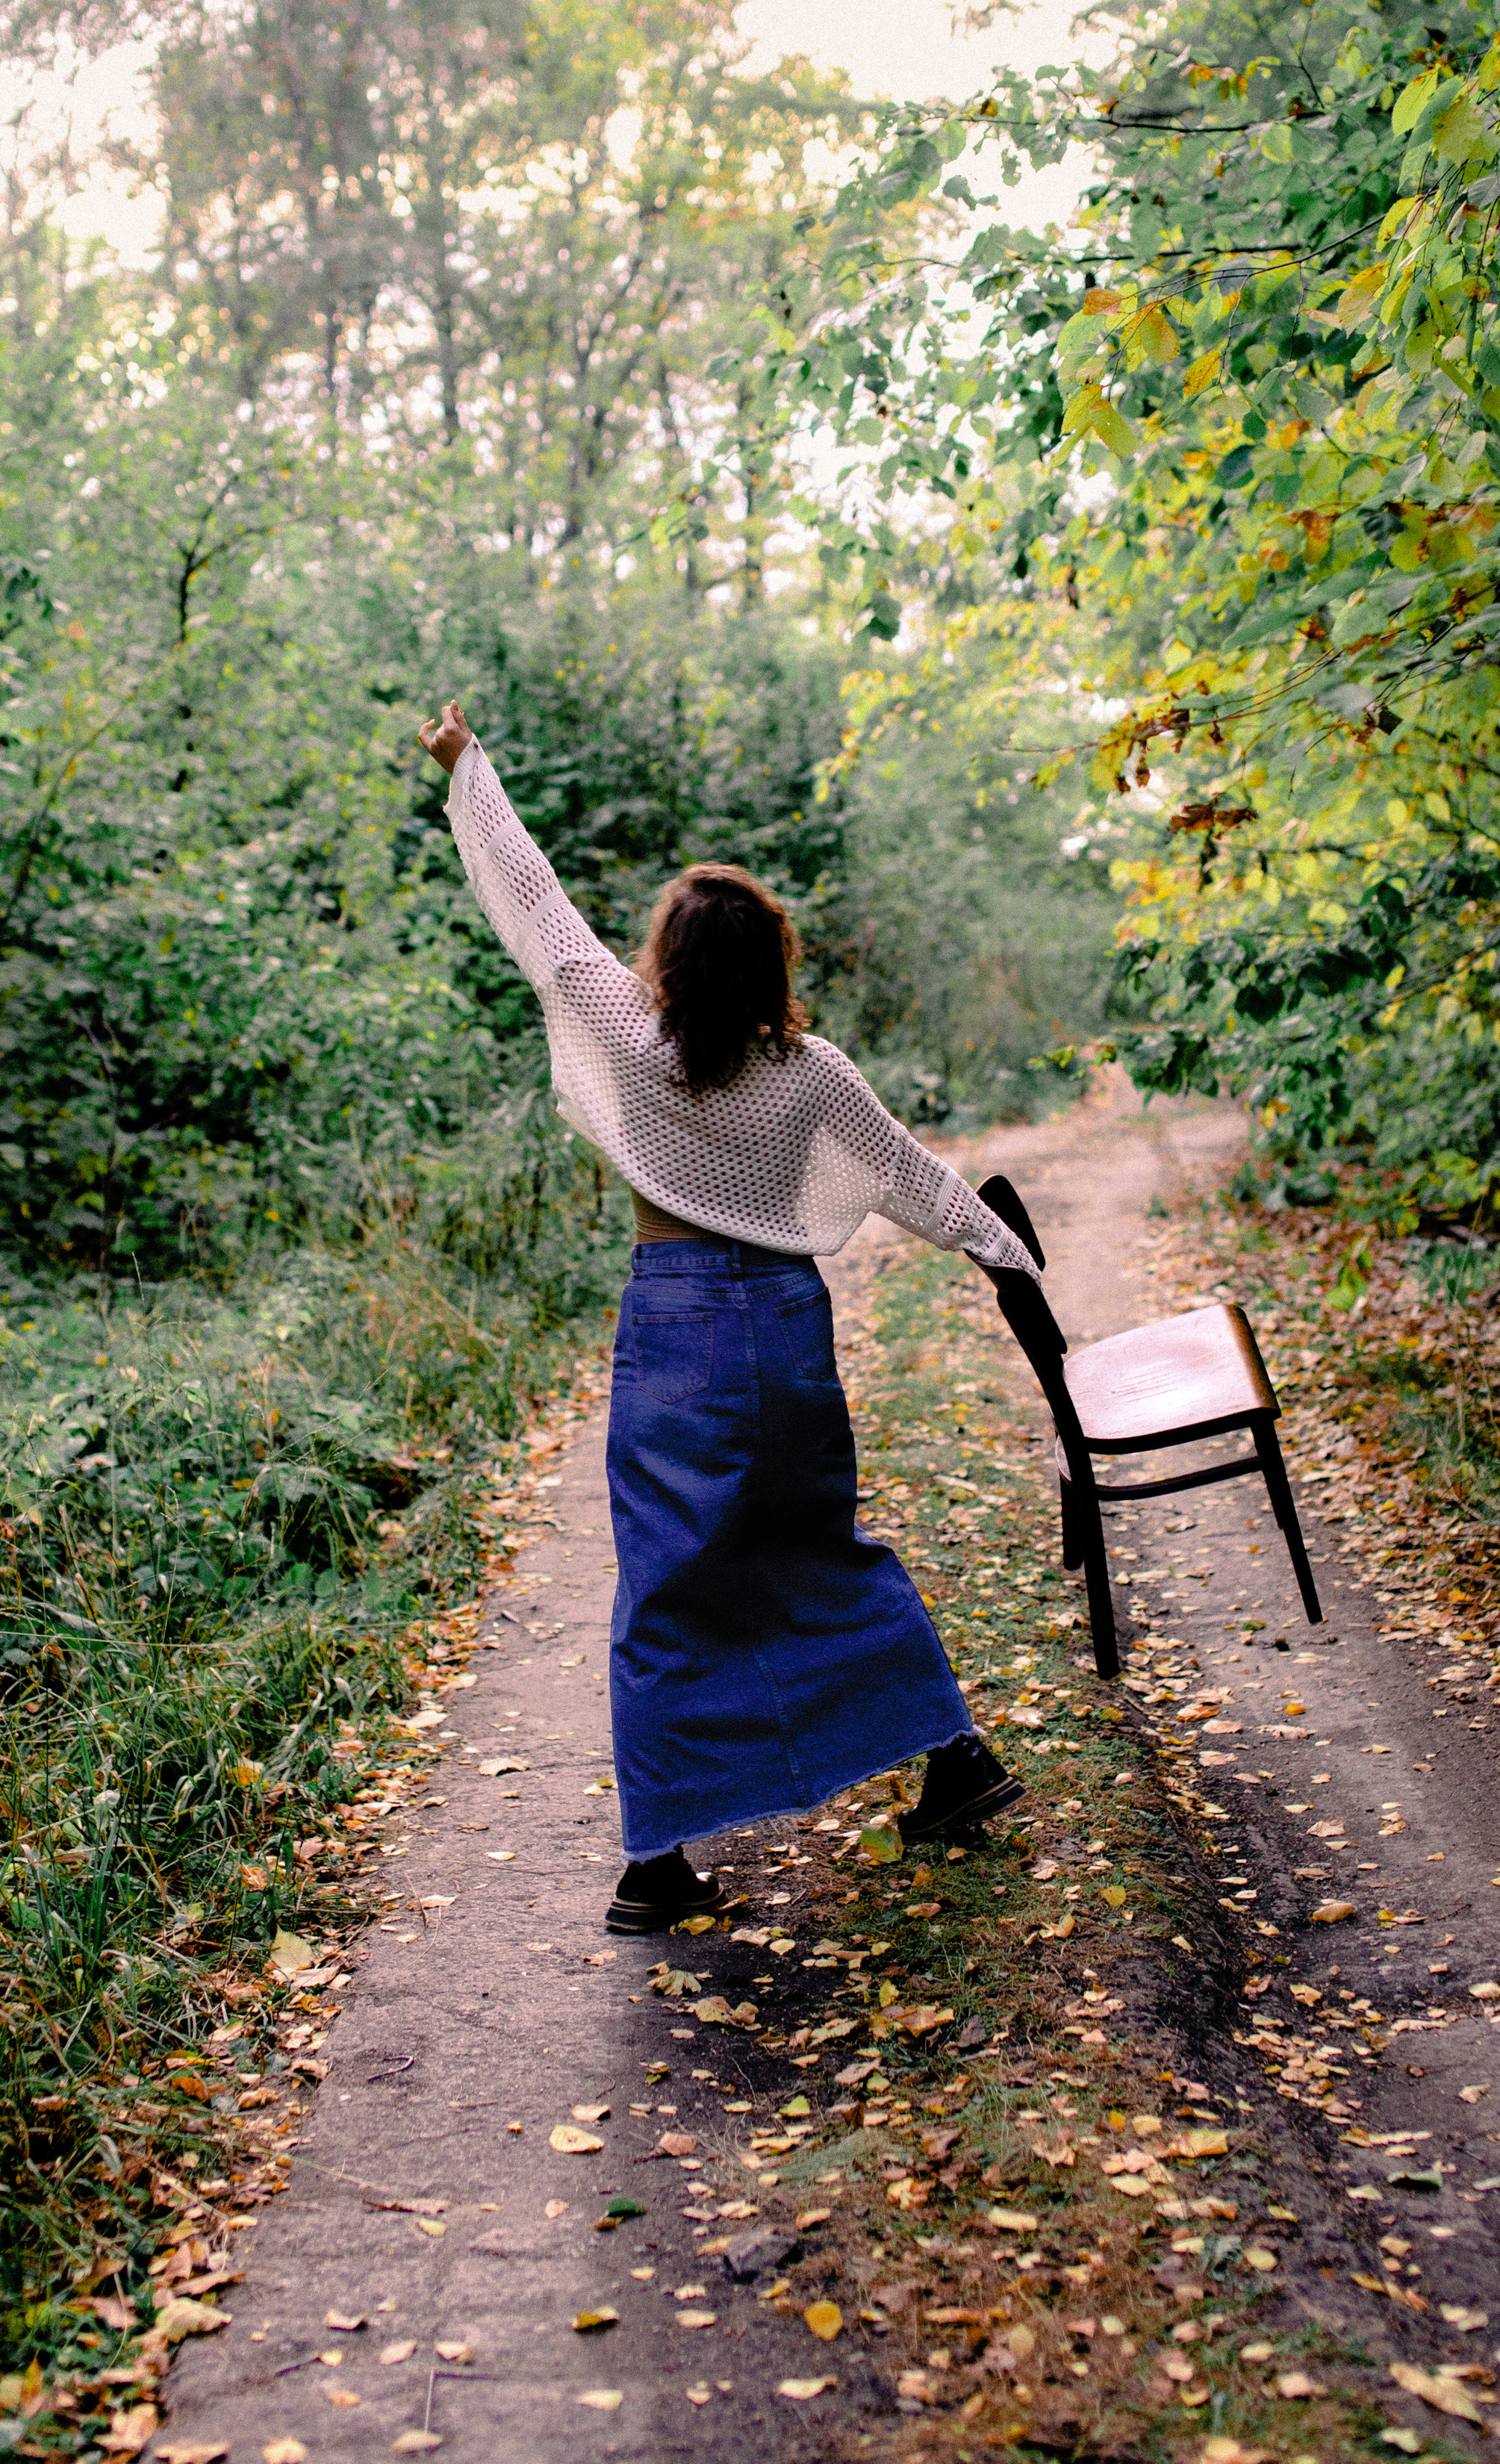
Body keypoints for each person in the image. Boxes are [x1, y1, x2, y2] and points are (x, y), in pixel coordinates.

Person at [418, 700, 1044, 1936]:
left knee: (670, 1585)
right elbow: (918, 1177)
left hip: (677, 1334)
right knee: (822, 1549)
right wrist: (1005, 1252)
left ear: (668, 963)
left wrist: (469, 767)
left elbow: (536, 911)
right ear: (771, 968)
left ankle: (659, 1864)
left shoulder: (627, 1030)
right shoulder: (812, 1075)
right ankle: (955, 1762)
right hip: (783, 1331)